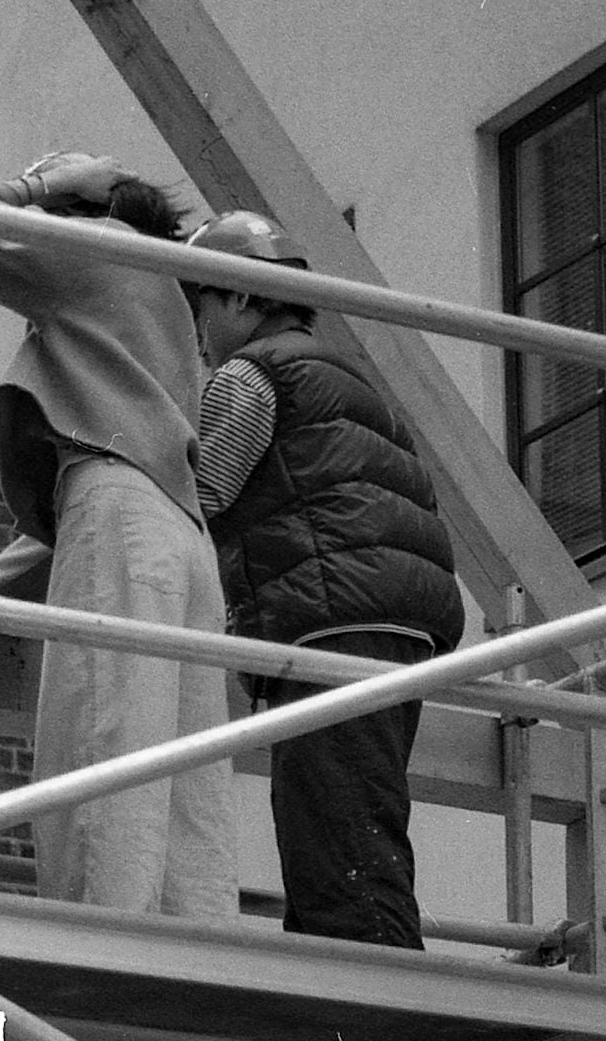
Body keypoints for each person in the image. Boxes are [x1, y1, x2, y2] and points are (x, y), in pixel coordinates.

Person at [0, 151, 237, 918]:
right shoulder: (163, 302)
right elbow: (106, 486)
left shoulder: (94, 252)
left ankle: (100, 945)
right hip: (179, 535)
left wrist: (41, 185)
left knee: (102, 748)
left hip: (124, 517)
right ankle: (194, 968)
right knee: (184, 790)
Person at [186, 210, 464, 948]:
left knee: (338, 843)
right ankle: (347, 992)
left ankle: (380, 1012)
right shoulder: (341, 374)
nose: (198, 331)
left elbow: (204, 493)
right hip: (392, 627)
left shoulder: (251, 374)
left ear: (242, 297)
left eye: (201, 304)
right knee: (350, 822)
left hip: (330, 623)